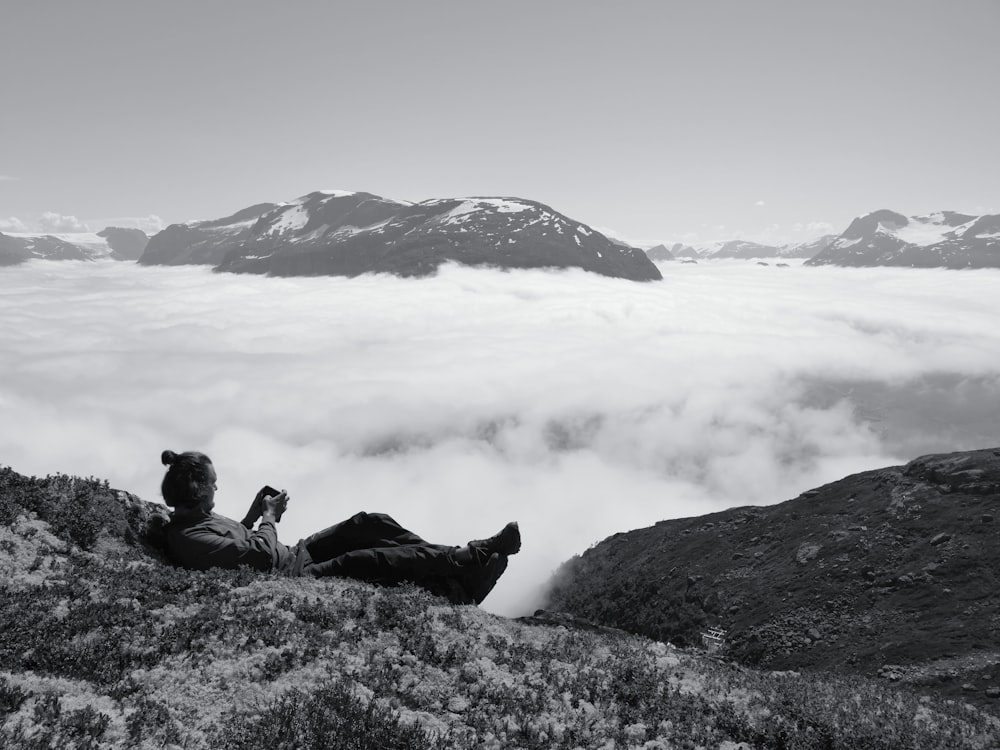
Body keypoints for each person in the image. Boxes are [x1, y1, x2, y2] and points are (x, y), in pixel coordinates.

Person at [159, 450, 520, 605]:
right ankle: (469, 556)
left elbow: (232, 544)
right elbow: (253, 559)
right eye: (212, 483)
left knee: (368, 523)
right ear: (197, 488)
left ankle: (447, 565)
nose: (217, 488)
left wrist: (252, 514)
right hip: (290, 574)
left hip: (294, 555)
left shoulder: (198, 523)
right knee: (367, 559)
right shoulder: (190, 537)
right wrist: (270, 518)